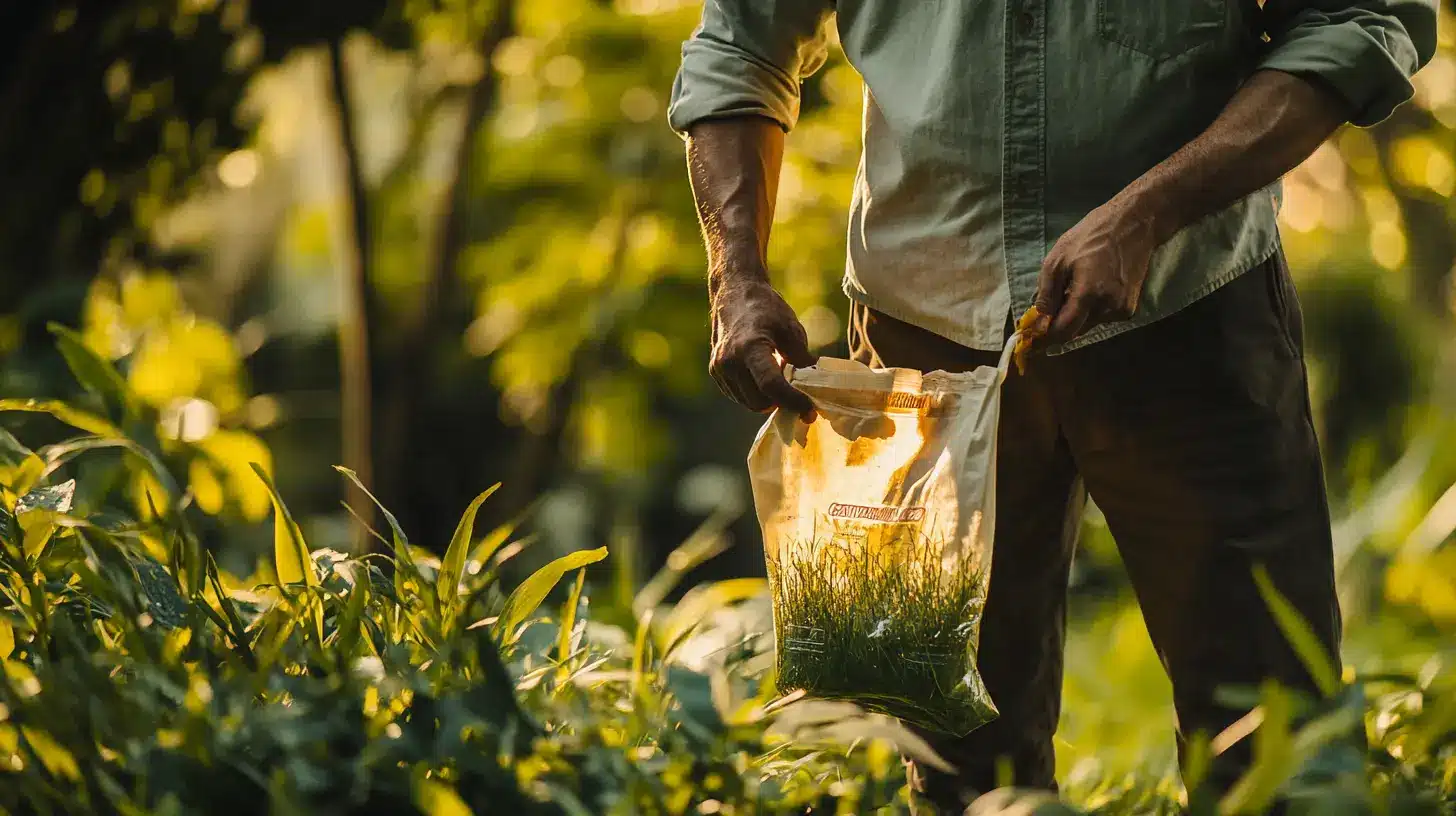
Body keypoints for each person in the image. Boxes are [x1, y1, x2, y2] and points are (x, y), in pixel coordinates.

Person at [667, 1, 1438, 812]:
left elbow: (1356, 18)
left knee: (1274, 735)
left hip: (1190, 315)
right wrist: (736, 279)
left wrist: (1151, 210)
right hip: (923, 343)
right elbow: (740, 42)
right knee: (957, 756)